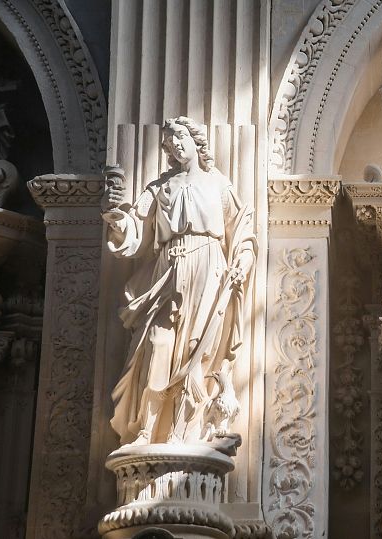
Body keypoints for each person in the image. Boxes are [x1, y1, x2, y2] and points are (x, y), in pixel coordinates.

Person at [102, 116, 257, 446]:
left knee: (196, 352)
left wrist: (243, 261)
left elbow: (242, 231)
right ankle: (147, 431)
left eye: (181, 137)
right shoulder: (159, 187)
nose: (175, 144)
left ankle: (182, 434)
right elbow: (135, 227)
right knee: (157, 345)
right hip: (169, 269)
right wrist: (116, 219)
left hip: (209, 267)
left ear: (196, 141)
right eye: (170, 141)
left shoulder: (218, 185)